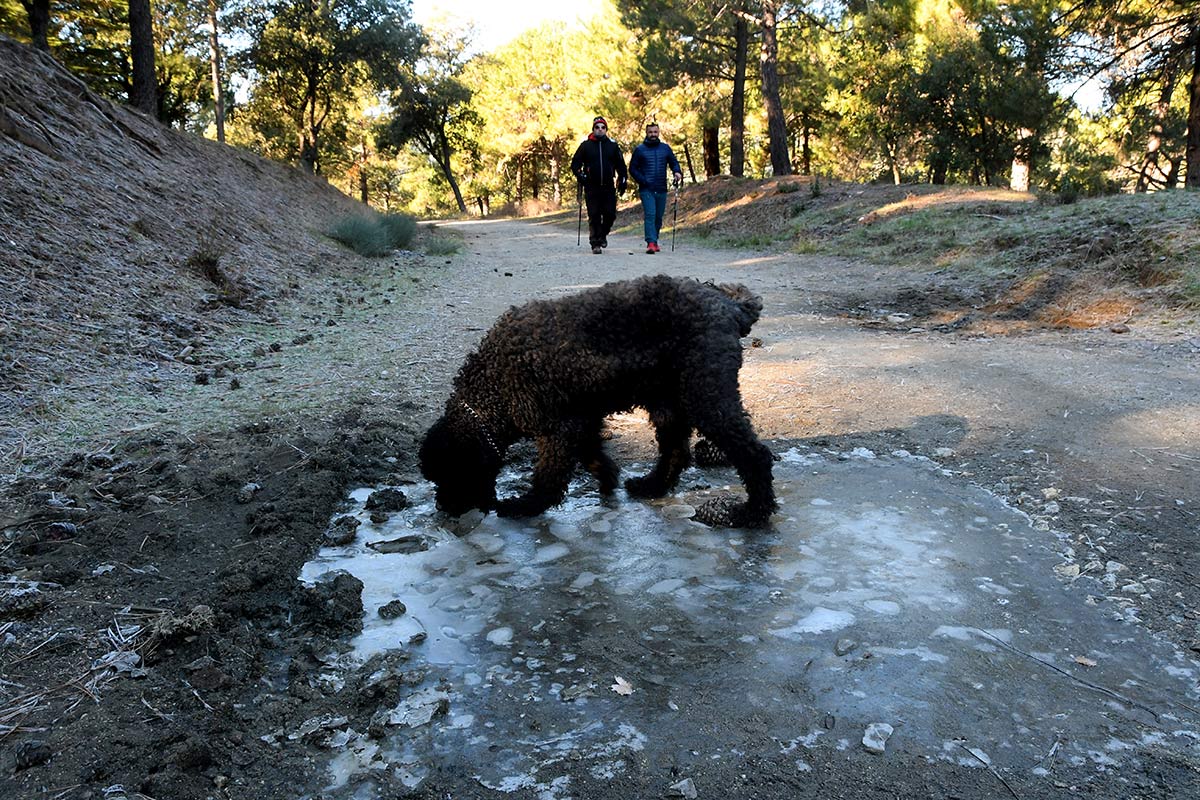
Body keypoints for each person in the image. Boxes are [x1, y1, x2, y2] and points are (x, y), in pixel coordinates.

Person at [570, 116, 627, 255]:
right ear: (593, 129)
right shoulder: (585, 146)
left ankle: (602, 235)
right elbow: (575, 164)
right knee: (594, 215)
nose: (600, 130)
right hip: (591, 186)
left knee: (610, 214)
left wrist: (623, 179)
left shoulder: (612, 146)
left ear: (606, 130)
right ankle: (595, 243)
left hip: (608, 186)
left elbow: (620, 164)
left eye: (603, 127)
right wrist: (580, 175)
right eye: (597, 127)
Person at [628, 123, 683, 254]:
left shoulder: (665, 149)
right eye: (650, 132)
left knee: (658, 217)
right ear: (646, 133)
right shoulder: (640, 150)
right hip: (647, 189)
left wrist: (677, 171)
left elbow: (673, 162)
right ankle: (650, 243)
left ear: (659, 133)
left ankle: (655, 240)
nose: (653, 134)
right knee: (650, 215)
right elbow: (633, 168)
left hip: (662, 188)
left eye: (655, 132)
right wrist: (643, 180)